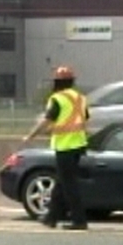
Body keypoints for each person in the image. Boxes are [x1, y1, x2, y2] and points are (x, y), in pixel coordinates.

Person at [23, 66, 90, 231]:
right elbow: (84, 119)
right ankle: (51, 217)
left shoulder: (57, 98)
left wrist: (31, 135)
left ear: (58, 82)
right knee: (61, 181)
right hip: (79, 144)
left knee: (69, 184)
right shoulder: (80, 98)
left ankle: (79, 220)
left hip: (65, 146)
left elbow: (47, 120)